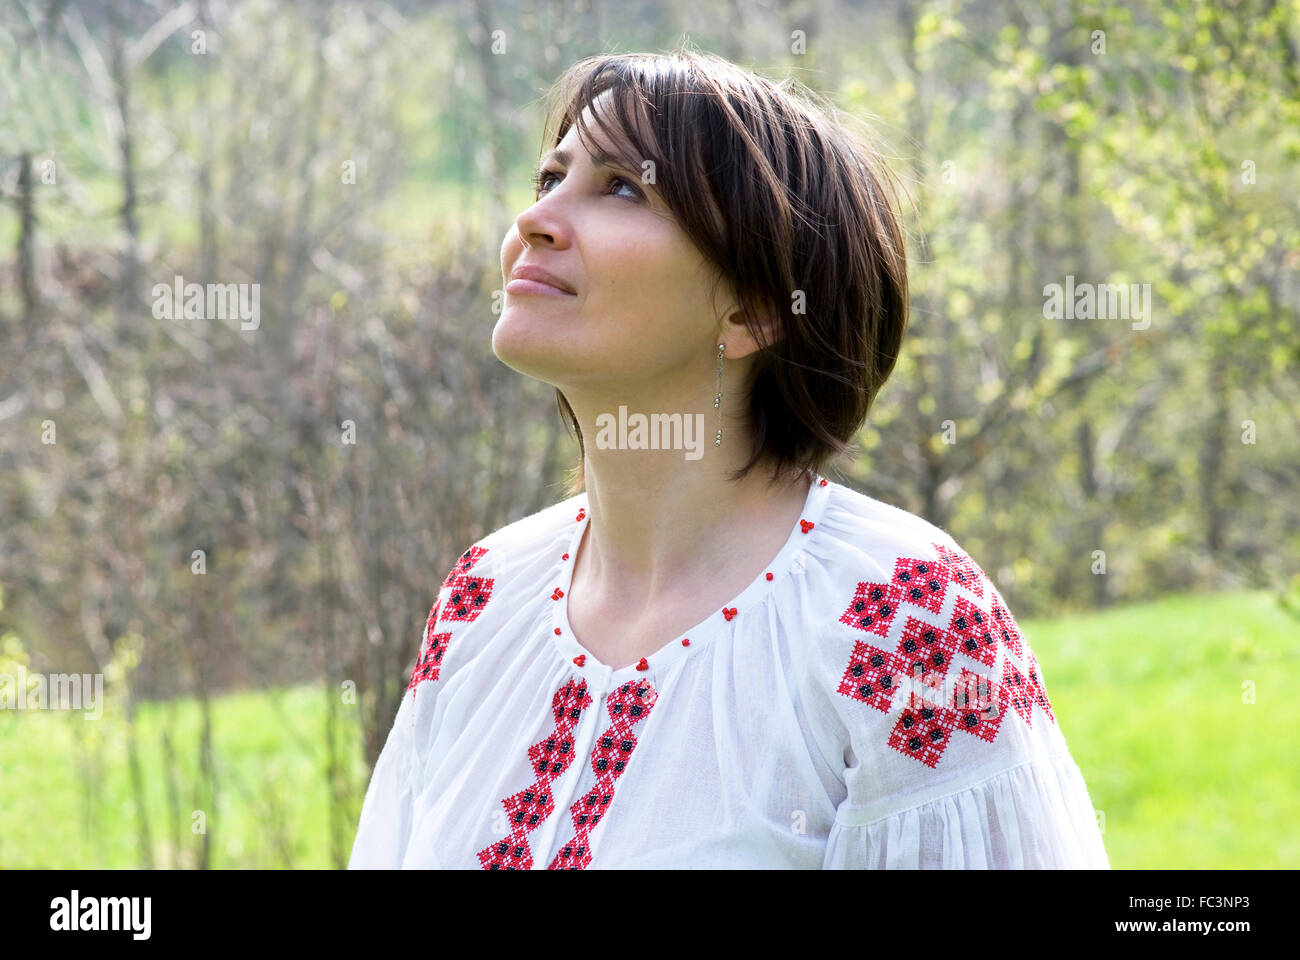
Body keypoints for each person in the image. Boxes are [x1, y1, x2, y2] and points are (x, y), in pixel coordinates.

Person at [347, 47, 1110, 869]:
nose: (537, 220)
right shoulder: (483, 601)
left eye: (622, 188)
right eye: (548, 179)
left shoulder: (902, 620)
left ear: (756, 311)